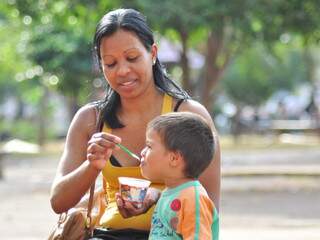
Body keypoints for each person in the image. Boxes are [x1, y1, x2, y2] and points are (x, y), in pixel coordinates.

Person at [50, 8, 220, 239]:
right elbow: (59, 202)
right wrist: (92, 166)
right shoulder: (90, 120)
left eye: (132, 58)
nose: (122, 71)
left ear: (152, 53)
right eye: (110, 63)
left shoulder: (189, 115)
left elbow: (209, 206)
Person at [140, 112, 219, 239]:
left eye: (149, 146)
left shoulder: (193, 198)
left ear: (174, 158)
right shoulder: (171, 192)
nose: (142, 152)